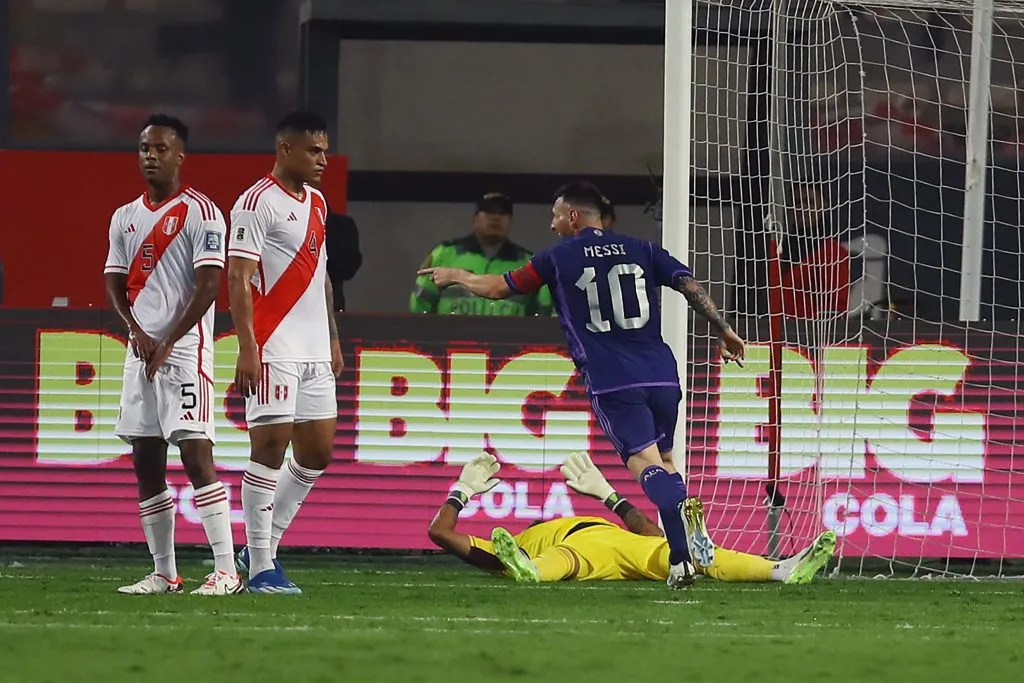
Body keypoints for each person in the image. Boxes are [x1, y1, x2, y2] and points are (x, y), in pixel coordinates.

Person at [419, 181, 747, 589]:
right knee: (665, 457)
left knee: (644, 465)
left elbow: (498, 288)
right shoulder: (643, 249)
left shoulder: (558, 257)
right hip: (662, 372)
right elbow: (691, 287)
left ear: (573, 216)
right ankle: (691, 527)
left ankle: (679, 555)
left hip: (613, 380)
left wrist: (458, 276)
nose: (553, 225)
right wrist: (725, 330)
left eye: (556, 216)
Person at [103, 114, 241, 596]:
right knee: (145, 456)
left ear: (180, 156)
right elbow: (114, 283)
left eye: (160, 148)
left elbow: (209, 287)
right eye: (144, 148)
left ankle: (226, 570)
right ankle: (165, 573)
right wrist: (136, 331)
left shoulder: (203, 213)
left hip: (184, 352)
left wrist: (167, 339)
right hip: (140, 351)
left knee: (196, 453)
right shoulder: (124, 216)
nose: (150, 156)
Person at [227, 111, 344, 594]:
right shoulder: (255, 204)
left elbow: (322, 276)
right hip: (273, 345)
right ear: (284, 149)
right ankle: (259, 567)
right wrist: (247, 347)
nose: (323, 159)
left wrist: (334, 337)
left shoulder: (317, 202)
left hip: (315, 350)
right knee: (269, 450)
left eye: (325, 150)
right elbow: (237, 278)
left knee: (316, 453)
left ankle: (260, 547)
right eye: (313, 151)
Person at [429, 453, 836, 584]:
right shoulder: (516, 541)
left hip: (626, 545)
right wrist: (460, 491)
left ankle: (782, 569)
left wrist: (608, 495)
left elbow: (646, 530)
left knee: (682, 555)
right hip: (573, 553)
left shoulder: (570, 523)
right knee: (563, 561)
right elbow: (441, 533)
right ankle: (530, 571)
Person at [410, 193, 553, 316]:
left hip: (508, 344)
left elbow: (545, 310)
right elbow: (421, 302)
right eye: (489, 211)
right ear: (475, 219)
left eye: (503, 213)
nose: (495, 218)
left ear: (510, 221)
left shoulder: (528, 262)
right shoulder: (445, 254)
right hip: (451, 342)